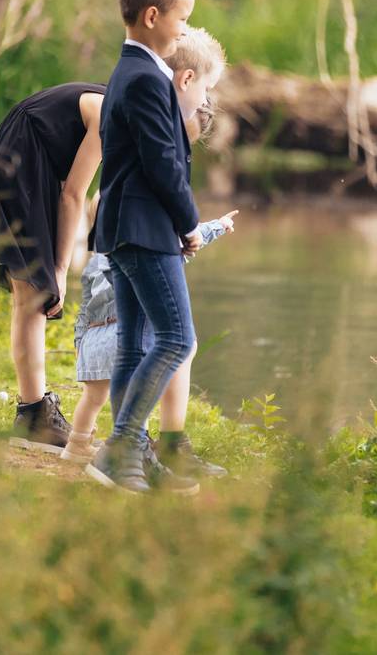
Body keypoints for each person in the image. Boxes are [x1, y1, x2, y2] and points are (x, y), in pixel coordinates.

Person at [65, 31, 235, 480]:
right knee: (177, 340)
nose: (205, 100)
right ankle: (121, 447)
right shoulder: (149, 90)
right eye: (205, 89)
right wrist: (189, 225)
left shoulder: (132, 79)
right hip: (144, 233)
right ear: (187, 79)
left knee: (134, 345)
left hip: (122, 231)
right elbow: (163, 170)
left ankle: (135, 451)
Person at [0, 81, 106, 454]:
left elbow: (91, 192)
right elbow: (73, 194)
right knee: (35, 294)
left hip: (32, 168)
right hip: (18, 167)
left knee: (33, 294)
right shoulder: (110, 112)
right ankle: (34, 415)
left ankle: (34, 412)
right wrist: (61, 270)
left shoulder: (120, 106)